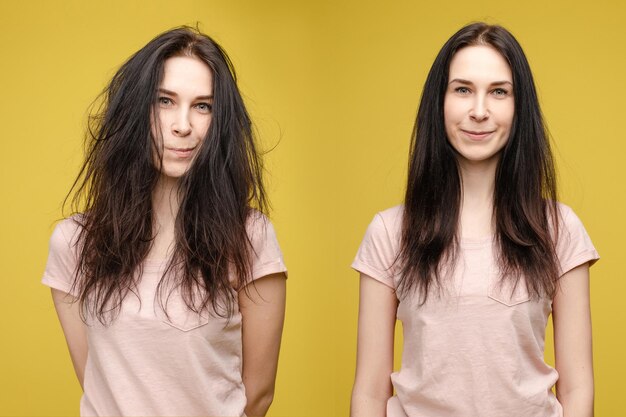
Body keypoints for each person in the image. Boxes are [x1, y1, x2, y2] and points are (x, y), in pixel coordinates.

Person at [351, 22, 598, 417]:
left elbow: (579, 387)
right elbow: (368, 392)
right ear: (440, 101)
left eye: (498, 92)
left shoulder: (559, 229)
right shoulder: (390, 232)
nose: (479, 111)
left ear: (520, 107)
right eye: (462, 89)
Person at [42, 27, 287, 417]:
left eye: (203, 106)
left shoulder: (250, 237)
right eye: (165, 101)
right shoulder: (74, 242)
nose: (182, 125)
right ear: (137, 109)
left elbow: (257, 394)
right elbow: (100, 383)